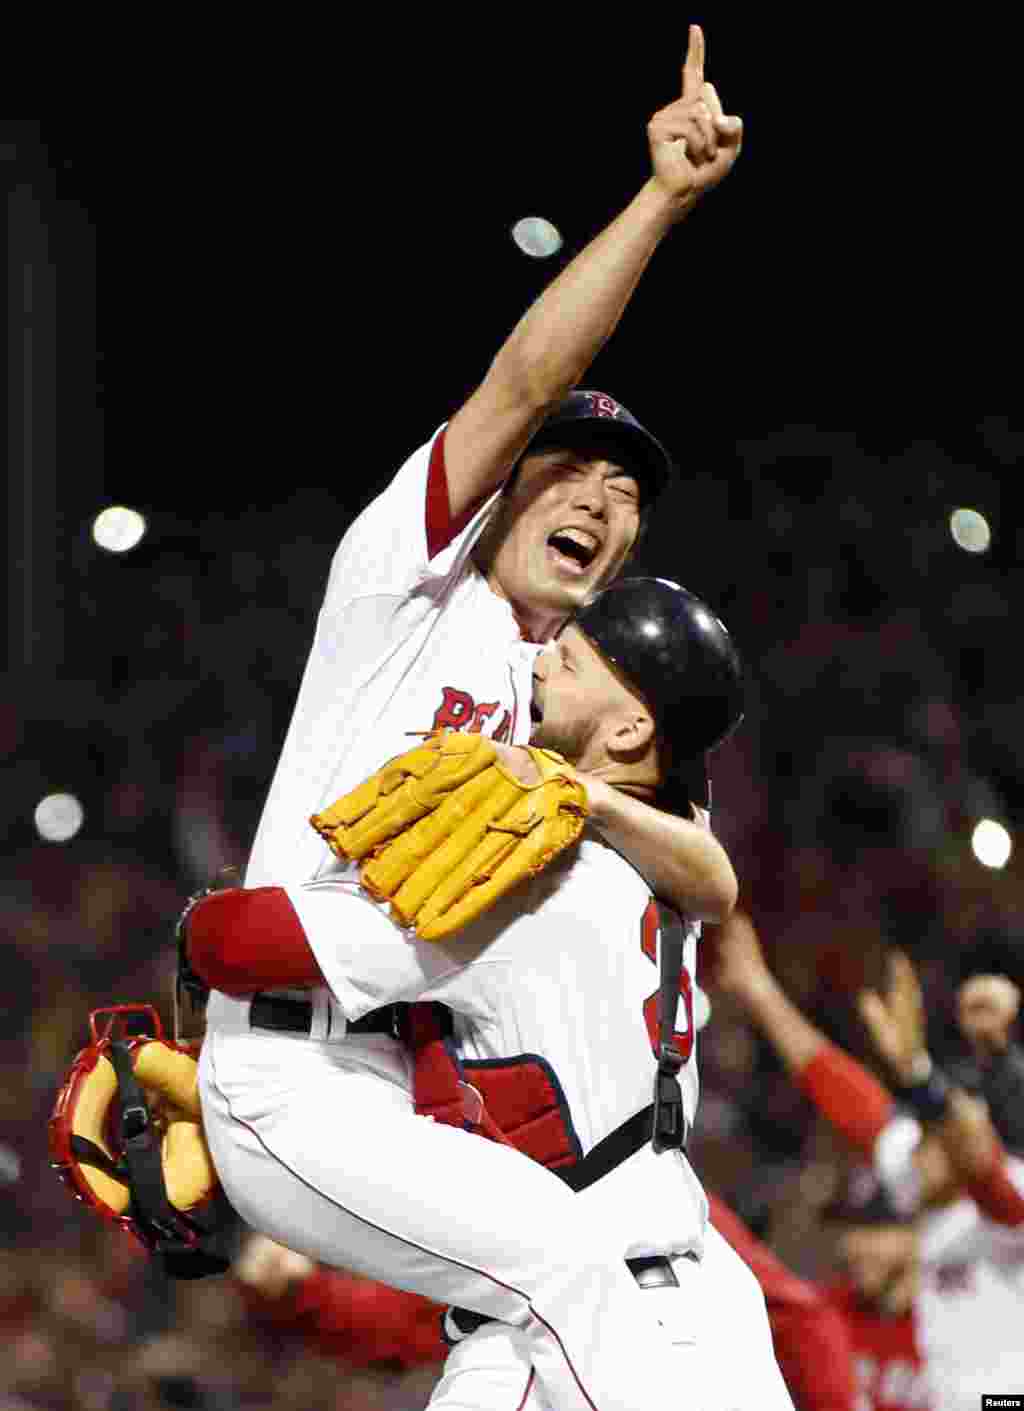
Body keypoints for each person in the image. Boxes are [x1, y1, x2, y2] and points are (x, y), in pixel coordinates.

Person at [194, 25, 744, 1411]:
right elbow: (517, 382)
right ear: (502, 487)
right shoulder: (406, 585)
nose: (606, 505)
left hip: (390, 1076)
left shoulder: (571, 700)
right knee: (563, 1258)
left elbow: (704, 871)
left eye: (630, 501)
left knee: (521, 1314)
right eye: (575, 471)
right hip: (289, 1062)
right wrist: (664, 202)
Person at [192, 576, 793, 1409]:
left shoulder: (533, 869)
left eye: (573, 660)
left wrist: (200, 920)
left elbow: (240, 948)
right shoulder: (656, 858)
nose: (542, 662)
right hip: (681, 1308)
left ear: (629, 728)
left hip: (597, 1324)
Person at [709, 909, 1024, 1411]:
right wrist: (757, 989)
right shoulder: (919, 1172)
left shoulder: (1010, 1193)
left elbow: (985, 1172)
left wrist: (918, 1076)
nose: (913, 1147)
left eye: (933, 1133)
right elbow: (840, 1088)